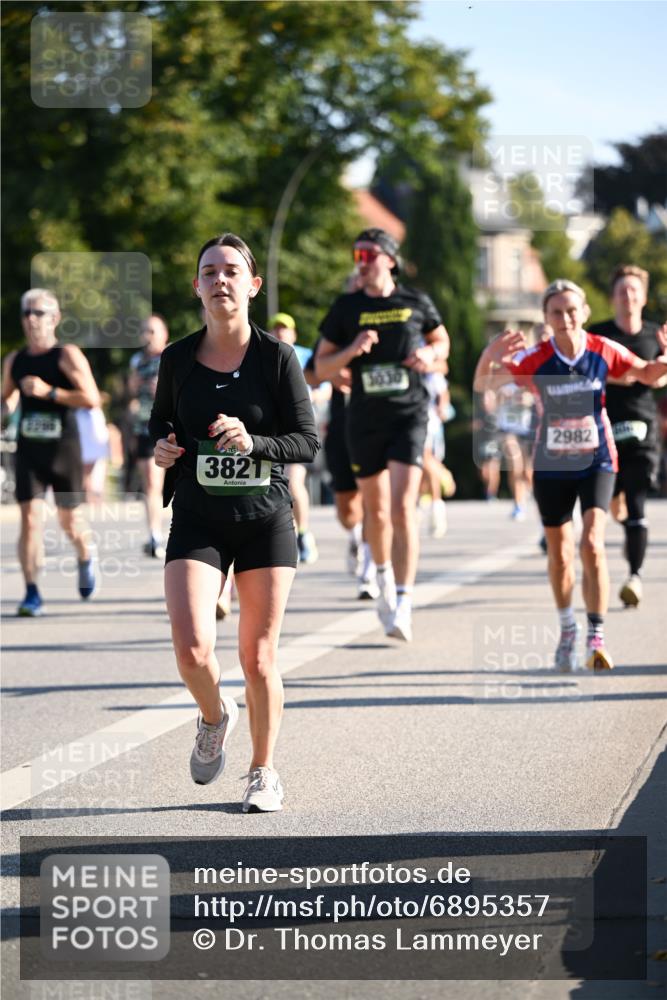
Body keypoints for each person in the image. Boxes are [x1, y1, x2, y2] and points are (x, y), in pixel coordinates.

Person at [150, 233, 318, 813]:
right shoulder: (177, 359)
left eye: (230, 271)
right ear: (196, 287)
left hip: (264, 519)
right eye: (209, 272)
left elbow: (307, 441)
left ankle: (263, 771)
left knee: (259, 657)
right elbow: (160, 424)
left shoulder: (277, 358)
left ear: (252, 285)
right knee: (193, 651)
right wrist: (163, 448)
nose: (219, 279)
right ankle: (214, 715)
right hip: (198, 517)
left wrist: (255, 441)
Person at [474, 279, 667, 672]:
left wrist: (665, 359)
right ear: (546, 317)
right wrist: (488, 356)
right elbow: (483, 383)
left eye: (572, 310)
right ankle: (567, 628)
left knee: (592, 544)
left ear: (585, 312)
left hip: (597, 458)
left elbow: (647, 374)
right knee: (561, 556)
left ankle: (596, 635)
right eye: (557, 312)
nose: (565, 318)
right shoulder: (537, 357)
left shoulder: (601, 348)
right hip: (552, 465)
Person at [316, 228, 450, 641]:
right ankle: (383, 577)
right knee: (375, 513)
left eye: (369, 254)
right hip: (364, 420)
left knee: (402, 507)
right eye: (357, 254)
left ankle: (404, 602)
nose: (361, 261)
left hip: (409, 415)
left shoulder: (415, 301)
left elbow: (442, 342)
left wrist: (429, 353)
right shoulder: (346, 307)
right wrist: (351, 350)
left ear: (390, 260)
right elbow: (321, 366)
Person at [1, 288, 100, 616]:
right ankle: (31, 593)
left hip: (64, 449)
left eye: (38, 312)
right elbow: (6, 398)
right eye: (26, 313)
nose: (31, 319)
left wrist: (49, 392)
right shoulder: (15, 360)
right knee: (30, 519)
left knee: (69, 520)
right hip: (29, 450)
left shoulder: (66, 355)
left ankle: (85, 554)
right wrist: (5, 409)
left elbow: (91, 398)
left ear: (54, 318)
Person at [589, 265, 667, 607]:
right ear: (613, 297)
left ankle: (634, 576)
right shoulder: (598, 335)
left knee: (636, 504)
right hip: (604, 427)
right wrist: (634, 374)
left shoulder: (655, 335)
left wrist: (661, 367)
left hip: (642, 428)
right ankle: (626, 525)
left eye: (634, 290)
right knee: (614, 505)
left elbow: (660, 378)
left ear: (644, 297)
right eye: (622, 290)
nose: (628, 296)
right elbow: (583, 372)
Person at [267, 312, 319, 565]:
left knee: (294, 482)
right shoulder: (263, 354)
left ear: (294, 333)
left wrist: (302, 400)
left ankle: (303, 534)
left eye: (285, 329)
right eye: (276, 329)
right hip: (271, 432)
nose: (280, 333)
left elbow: (324, 387)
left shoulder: (306, 356)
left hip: (297, 430)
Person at [127, 314, 170, 558]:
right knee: (151, 482)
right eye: (145, 331)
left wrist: (163, 389)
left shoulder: (173, 356)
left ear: (164, 334)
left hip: (173, 426)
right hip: (145, 427)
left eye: (153, 331)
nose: (148, 336)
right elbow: (131, 392)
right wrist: (134, 385)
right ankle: (154, 534)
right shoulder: (137, 360)